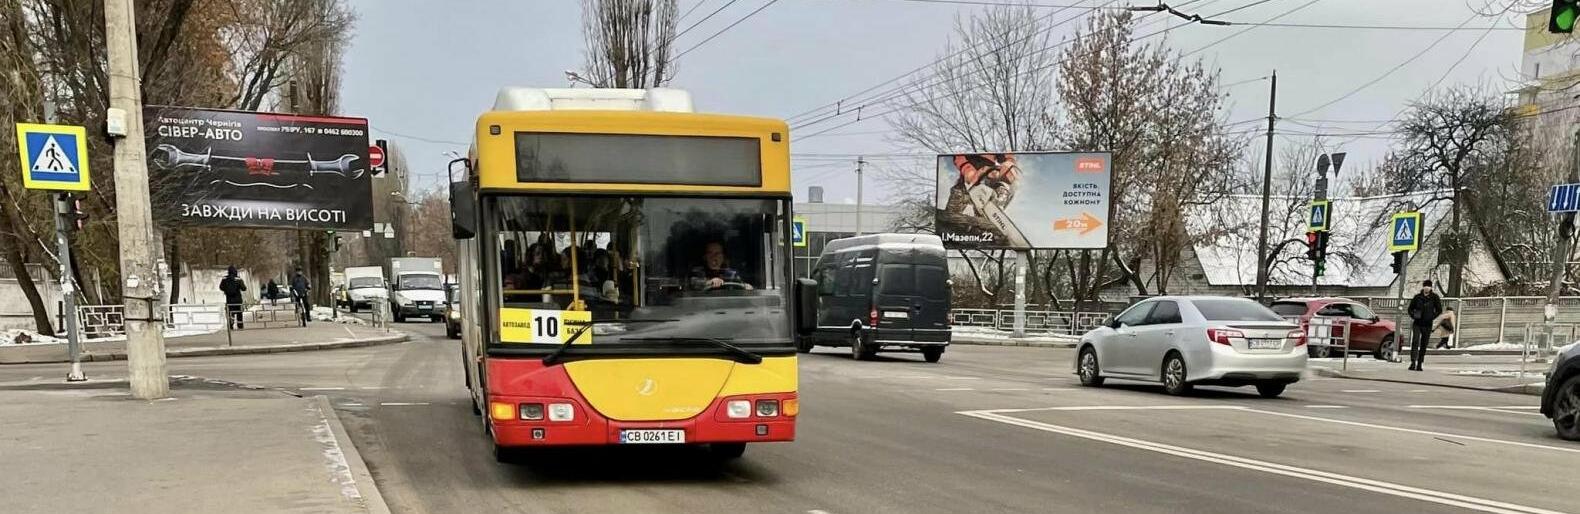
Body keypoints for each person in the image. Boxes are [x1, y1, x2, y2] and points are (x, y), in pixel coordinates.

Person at [1406, 280, 1443, 371]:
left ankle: (1420, 363)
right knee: (1415, 341)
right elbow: (1410, 309)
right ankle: (1413, 362)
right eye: (1425, 286)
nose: (1427, 288)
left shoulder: (1434, 297)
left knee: (1424, 344)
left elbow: (1439, 310)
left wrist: (1432, 317)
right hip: (1417, 323)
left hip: (1427, 324)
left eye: (1428, 286)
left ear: (1431, 287)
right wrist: (1414, 315)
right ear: (1423, 287)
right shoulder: (1417, 297)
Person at [219, 265, 246, 330]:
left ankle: (230, 326)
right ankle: (240, 326)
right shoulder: (238, 279)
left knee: (230, 313)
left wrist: (226, 290)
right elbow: (244, 288)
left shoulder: (224, 279)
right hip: (238, 300)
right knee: (239, 313)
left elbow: (221, 287)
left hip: (229, 300)